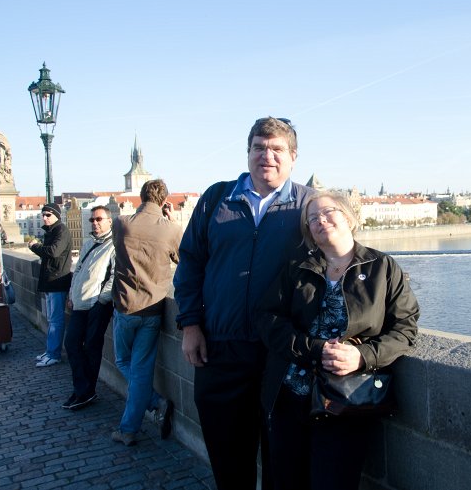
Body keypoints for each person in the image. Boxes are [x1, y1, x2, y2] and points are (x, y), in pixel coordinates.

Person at [174, 117, 312, 490]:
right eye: (259, 147)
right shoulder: (217, 198)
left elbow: (340, 258)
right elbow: (190, 262)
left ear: (293, 158)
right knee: (228, 456)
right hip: (222, 347)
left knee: (283, 463)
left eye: (277, 149)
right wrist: (190, 324)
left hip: (282, 352)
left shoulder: (308, 206)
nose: (267, 156)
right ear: (248, 152)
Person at [255, 191, 420, 490]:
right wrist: (313, 349)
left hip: (345, 402)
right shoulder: (297, 268)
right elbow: (267, 319)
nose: (320, 220)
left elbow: (405, 329)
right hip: (289, 398)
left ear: (348, 217)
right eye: (312, 218)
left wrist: (363, 356)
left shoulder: (382, 268)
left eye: (328, 212)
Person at [111, 179, 182, 446]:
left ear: (141, 197)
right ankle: (152, 403)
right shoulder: (171, 229)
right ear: (164, 202)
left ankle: (129, 428)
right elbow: (183, 259)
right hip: (153, 310)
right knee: (140, 371)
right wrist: (171, 221)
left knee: (123, 362)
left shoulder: (122, 223)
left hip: (125, 307)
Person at [62, 205, 115, 411]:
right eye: (92, 220)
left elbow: (115, 276)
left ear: (109, 221)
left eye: (99, 219)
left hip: (96, 305)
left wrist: (101, 301)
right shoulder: (89, 243)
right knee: (72, 344)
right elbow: (78, 271)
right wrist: (71, 294)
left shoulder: (114, 245)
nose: (95, 223)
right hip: (79, 303)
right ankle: (82, 389)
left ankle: (85, 391)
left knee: (91, 348)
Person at [29, 203, 73, 367]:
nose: (44, 217)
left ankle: (54, 354)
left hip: (57, 282)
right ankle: (49, 351)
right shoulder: (52, 231)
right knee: (51, 319)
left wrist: (35, 246)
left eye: (48, 215)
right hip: (50, 282)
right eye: (43, 215)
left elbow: (53, 252)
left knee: (56, 320)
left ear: (56, 215)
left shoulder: (61, 230)